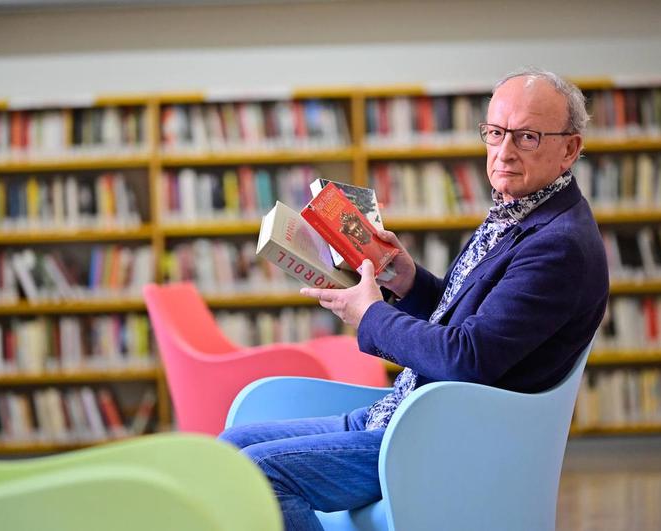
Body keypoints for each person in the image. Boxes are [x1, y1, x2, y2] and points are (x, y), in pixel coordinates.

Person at [219, 67, 609, 531]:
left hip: (446, 436)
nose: (503, 153)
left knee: (258, 473)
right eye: (495, 133)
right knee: (227, 452)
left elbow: (467, 357)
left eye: (526, 137)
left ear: (570, 149)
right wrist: (408, 282)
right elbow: (470, 324)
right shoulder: (522, 212)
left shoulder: (558, 245)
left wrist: (371, 313)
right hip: (404, 411)